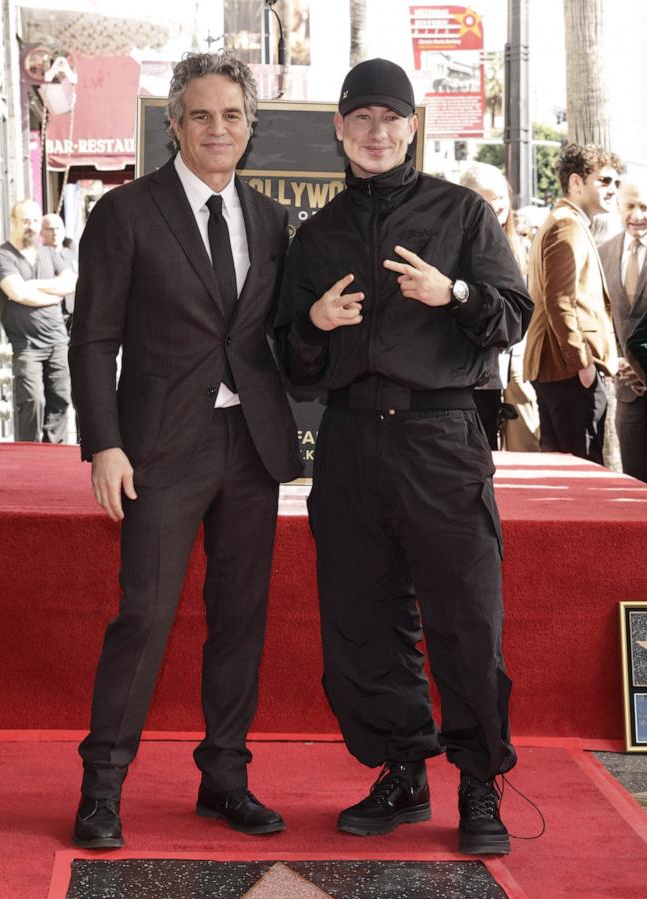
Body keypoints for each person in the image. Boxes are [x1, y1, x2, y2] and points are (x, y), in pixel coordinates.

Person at [277, 59, 533, 855]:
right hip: (352, 442)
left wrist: (451, 295)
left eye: (391, 118)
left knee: (465, 616)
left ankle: (480, 785)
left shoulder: (462, 213)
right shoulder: (315, 237)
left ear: (413, 126)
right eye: (362, 119)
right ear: (340, 130)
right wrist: (313, 325)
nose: (376, 132)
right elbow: (291, 362)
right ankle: (402, 770)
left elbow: (514, 319)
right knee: (362, 618)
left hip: (440, 439)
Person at [69, 51, 302, 849]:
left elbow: (275, 336)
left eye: (232, 115)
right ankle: (102, 788)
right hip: (161, 449)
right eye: (200, 115)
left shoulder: (270, 220)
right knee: (146, 614)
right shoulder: (126, 213)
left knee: (239, 618)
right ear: (173, 124)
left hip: (252, 445)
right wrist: (104, 444)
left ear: (250, 126)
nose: (217, 129)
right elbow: (92, 338)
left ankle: (225, 779)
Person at [523, 144, 622, 462]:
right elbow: (560, 301)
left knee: (563, 468)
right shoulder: (567, 226)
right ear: (576, 182)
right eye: (604, 180)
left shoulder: (561, 222)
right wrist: (583, 363)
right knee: (582, 471)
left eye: (616, 183)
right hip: (568, 372)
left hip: (557, 369)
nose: (613, 190)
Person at [458, 162, 539, 452]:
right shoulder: (457, 245)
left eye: (501, 197)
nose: (496, 206)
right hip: (474, 372)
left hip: (512, 363)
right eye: (486, 199)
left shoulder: (520, 243)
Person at [0, 200, 76, 442]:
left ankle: (55, 453)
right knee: (32, 400)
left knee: (60, 400)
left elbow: (70, 283)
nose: (31, 226)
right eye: (25, 221)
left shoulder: (48, 253)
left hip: (57, 340)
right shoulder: (4, 255)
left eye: (34, 221)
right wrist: (53, 297)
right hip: (26, 345)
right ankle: (28, 454)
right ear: (13, 222)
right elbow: (17, 293)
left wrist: (34, 285)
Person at [599, 176, 647, 482]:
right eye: (629, 206)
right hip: (627, 389)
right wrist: (618, 362)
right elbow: (603, 314)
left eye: (645, 207)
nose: (637, 215)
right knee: (634, 484)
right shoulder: (604, 253)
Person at [41, 213, 78, 332]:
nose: (55, 232)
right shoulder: (39, 256)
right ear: (41, 232)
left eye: (58, 228)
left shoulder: (72, 254)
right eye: (50, 229)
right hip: (50, 315)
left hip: (74, 314)